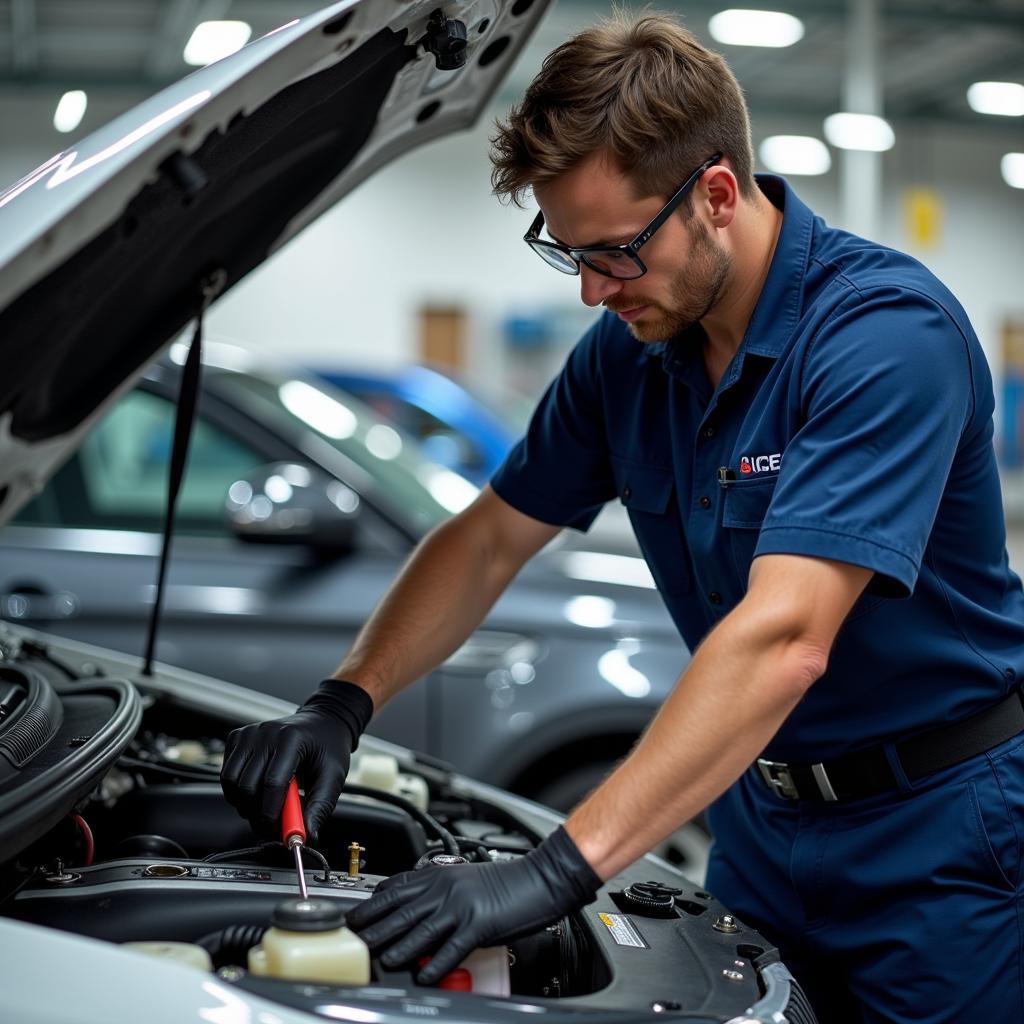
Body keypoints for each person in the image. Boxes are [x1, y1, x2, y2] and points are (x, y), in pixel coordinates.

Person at [220, 12, 1024, 1022]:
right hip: (761, 820)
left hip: (937, 836)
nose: (597, 291)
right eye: (571, 257)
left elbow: (783, 639)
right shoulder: (630, 355)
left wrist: (558, 868)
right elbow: (486, 540)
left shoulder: (883, 337)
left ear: (717, 195)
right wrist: (342, 699)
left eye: (615, 253)